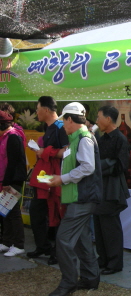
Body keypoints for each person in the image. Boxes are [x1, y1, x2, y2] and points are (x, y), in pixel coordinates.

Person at [47, 102, 102, 296]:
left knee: (63, 239)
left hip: (83, 197)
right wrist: (60, 178)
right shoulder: (77, 138)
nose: (63, 125)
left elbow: (88, 167)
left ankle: (68, 283)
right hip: (79, 197)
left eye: (64, 121)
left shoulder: (84, 139)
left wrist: (61, 178)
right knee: (81, 238)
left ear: (70, 119)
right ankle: (90, 278)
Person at [27, 96, 69, 265]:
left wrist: (46, 152)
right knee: (36, 211)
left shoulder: (60, 127)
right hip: (44, 176)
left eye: (37, 109)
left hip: (56, 176)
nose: (36, 112)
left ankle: (58, 251)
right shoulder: (49, 127)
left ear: (45, 109)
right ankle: (42, 245)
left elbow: (67, 151)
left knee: (56, 213)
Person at [94, 105, 130, 275]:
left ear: (108, 119)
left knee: (111, 227)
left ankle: (115, 263)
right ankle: (103, 259)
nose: (96, 121)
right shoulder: (100, 139)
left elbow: (121, 165)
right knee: (100, 226)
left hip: (113, 188)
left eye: (98, 117)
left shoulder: (120, 139)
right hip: (100, 187)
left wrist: (98, 166)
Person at [0, 110, 27, 257]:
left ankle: (19, 244)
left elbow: (13, 162)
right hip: (6, 179)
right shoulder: (5, 137)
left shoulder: (13, 137)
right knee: (6, 212)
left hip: (13, 180)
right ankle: (6, 241)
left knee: (14, 212)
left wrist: (7, 182)